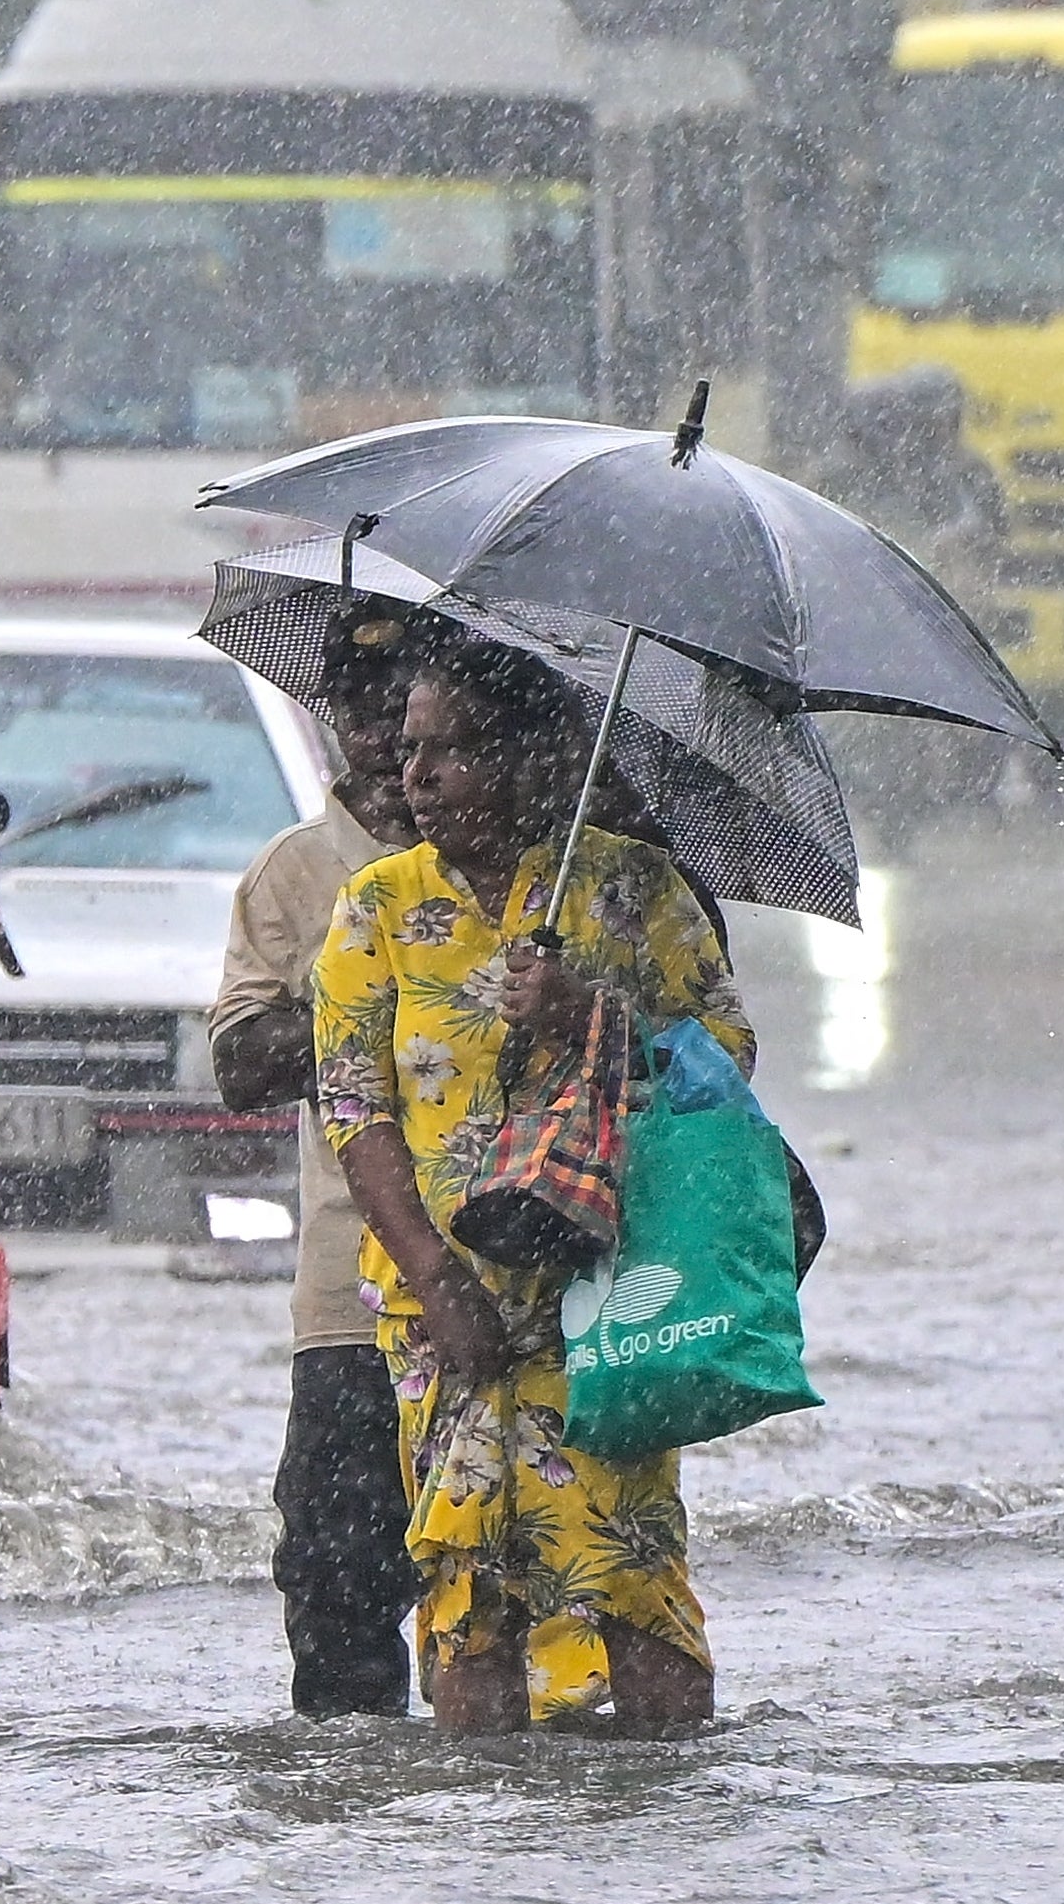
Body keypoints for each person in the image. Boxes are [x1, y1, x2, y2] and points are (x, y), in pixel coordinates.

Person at [309, 641, 756, 1738]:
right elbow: (352, 1109)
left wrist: (589, 1014)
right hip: (440, 1311)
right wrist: (435, 1278)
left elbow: (727, 1057)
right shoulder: (373, 908)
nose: (415, 777)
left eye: (448, 752)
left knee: (630, 1571)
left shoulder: (631, 890)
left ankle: (656, 1804)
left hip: (605, 1297)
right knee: (465, 1593)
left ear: (522, 758)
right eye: (408, 751)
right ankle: (485, 1842)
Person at [210, 602, 428, 1715]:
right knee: (339, 1585)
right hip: (352, 1295)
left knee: (514, 1586)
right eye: (364, 705)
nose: (390, 731)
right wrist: (368, 986)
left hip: (519, 1281)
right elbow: (240, 1066)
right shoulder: (296, 877)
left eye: (413, 703)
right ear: (330, 715)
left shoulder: (533, 863)